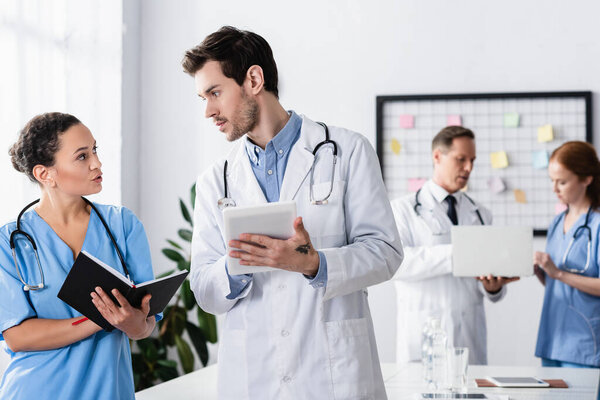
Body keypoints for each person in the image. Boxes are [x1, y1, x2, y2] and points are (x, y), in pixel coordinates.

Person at [183, 26, 403, 399]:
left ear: (253, 79)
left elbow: (385, 252)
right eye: (203, 98)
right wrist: (237, 266)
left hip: (334, 373)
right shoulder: (215, 182)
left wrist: (313, 263)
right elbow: (203, 288)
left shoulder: (347, 152)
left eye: (215, 93)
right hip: (255, 376)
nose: (208, 111)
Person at [0, 113, 158, 399]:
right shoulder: (8, 242)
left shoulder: (122, 225)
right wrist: (101, 319)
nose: (97, 163)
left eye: (94, 150)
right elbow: (17, 336)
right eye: (82, 156)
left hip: (109, 391)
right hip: (34, 390)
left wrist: (133, 324)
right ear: (44, 174)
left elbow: (146, 321)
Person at [390, 126, 518, 365]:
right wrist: (460, 252)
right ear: (437, 156)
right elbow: (397, 264)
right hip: (423, 336)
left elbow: (485, 282)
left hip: (468, 340)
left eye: (472, 160)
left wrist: (493, 288)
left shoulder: (481, 214)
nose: (468, 168)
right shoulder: (402, 210)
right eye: (461, 159)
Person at [533, 141, 600, 385]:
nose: (555, 189)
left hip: (584, 342)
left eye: (562, 181)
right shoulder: (557, 223)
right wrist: (543, 273)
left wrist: (558, 273)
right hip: (552, 338)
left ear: (586, 179)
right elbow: (558, 282)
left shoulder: (598, 224)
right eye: (552, 181)